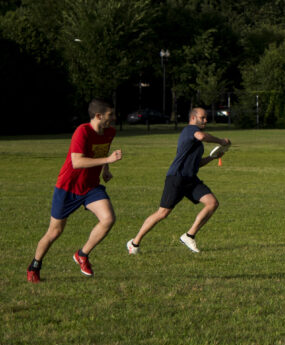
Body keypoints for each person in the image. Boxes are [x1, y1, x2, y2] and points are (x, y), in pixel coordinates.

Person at [27, 99, 123, 282]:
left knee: (108, 218)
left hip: (91, 187)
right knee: (54, 232)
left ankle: (82, 254)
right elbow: (77, 162)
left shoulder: (110, 132)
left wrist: (106, 169)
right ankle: (35, 265)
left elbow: (101, 152)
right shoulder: (82, 131)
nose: (114, 118)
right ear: (98, 116)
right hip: (68, 187)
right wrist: (109, 161)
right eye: (111, 115)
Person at [127, 107, 231, 255]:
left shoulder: (196, 138)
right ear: (193, 118)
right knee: (162, 213)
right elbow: (201, 136)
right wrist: (221, 141)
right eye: (203, 117)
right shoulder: (190, 130)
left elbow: (197, 163)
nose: (206, 120)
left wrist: (212, 157)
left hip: (190, 179)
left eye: (206, 118)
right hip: (176, 177)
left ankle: (189, 236)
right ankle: (134, 243)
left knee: (212, 203)